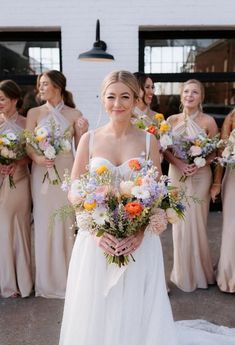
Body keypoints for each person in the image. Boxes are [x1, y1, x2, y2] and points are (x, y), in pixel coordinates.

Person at [59, 70, 180, 345]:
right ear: (102, 99)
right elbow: (75, 191)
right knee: (98, 307)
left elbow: (158, 192)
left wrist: (140, 233)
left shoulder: (149, 140)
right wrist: (97, 232)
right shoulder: (88, 139)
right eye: (111, 96)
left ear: (137, 99)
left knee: (136, 305)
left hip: (138, 243)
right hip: (98, 241)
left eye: (125, 96)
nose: (118, 104)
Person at [26, 70, 88, 298]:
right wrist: (38, 158)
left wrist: (83, 130)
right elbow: (28, 144)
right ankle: (47, 282)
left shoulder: (75, 114)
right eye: (39, 84)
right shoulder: (34, 113)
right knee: (44, 223)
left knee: (66, 222)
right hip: (42, 172)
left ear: (58, 86)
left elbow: (82, 148)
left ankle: (70, 280)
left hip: (65, 171)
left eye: (45, 84)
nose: (40, 88)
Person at [164, 79, 218, 292]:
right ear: (181, 95)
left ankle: (201, 274)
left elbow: (215, 151)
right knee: (179, 223)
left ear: (201, 97)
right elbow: (164, 149)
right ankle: (182, 274)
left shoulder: (208, 121)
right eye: (186, 91)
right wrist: (179, 163)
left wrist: (199, 162)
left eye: (195, 92)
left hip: (200, 175)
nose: (189, 95)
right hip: (177, 173)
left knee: (197, 222)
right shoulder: (171, 120)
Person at [0, 80, 33, 298]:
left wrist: (17, 162)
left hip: (20, 180)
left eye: (2, 99)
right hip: (1, 180)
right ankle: (8, 283)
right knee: (3, 229)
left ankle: (23, 282)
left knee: (20, 227)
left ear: (14, 100)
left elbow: (33, 154)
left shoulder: (25, 123)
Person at [210, 109, 235, 293]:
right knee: (231, 227)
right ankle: (229, 277)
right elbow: (221, 152)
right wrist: (217, 182)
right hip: (233, 178)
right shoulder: (232, 117)